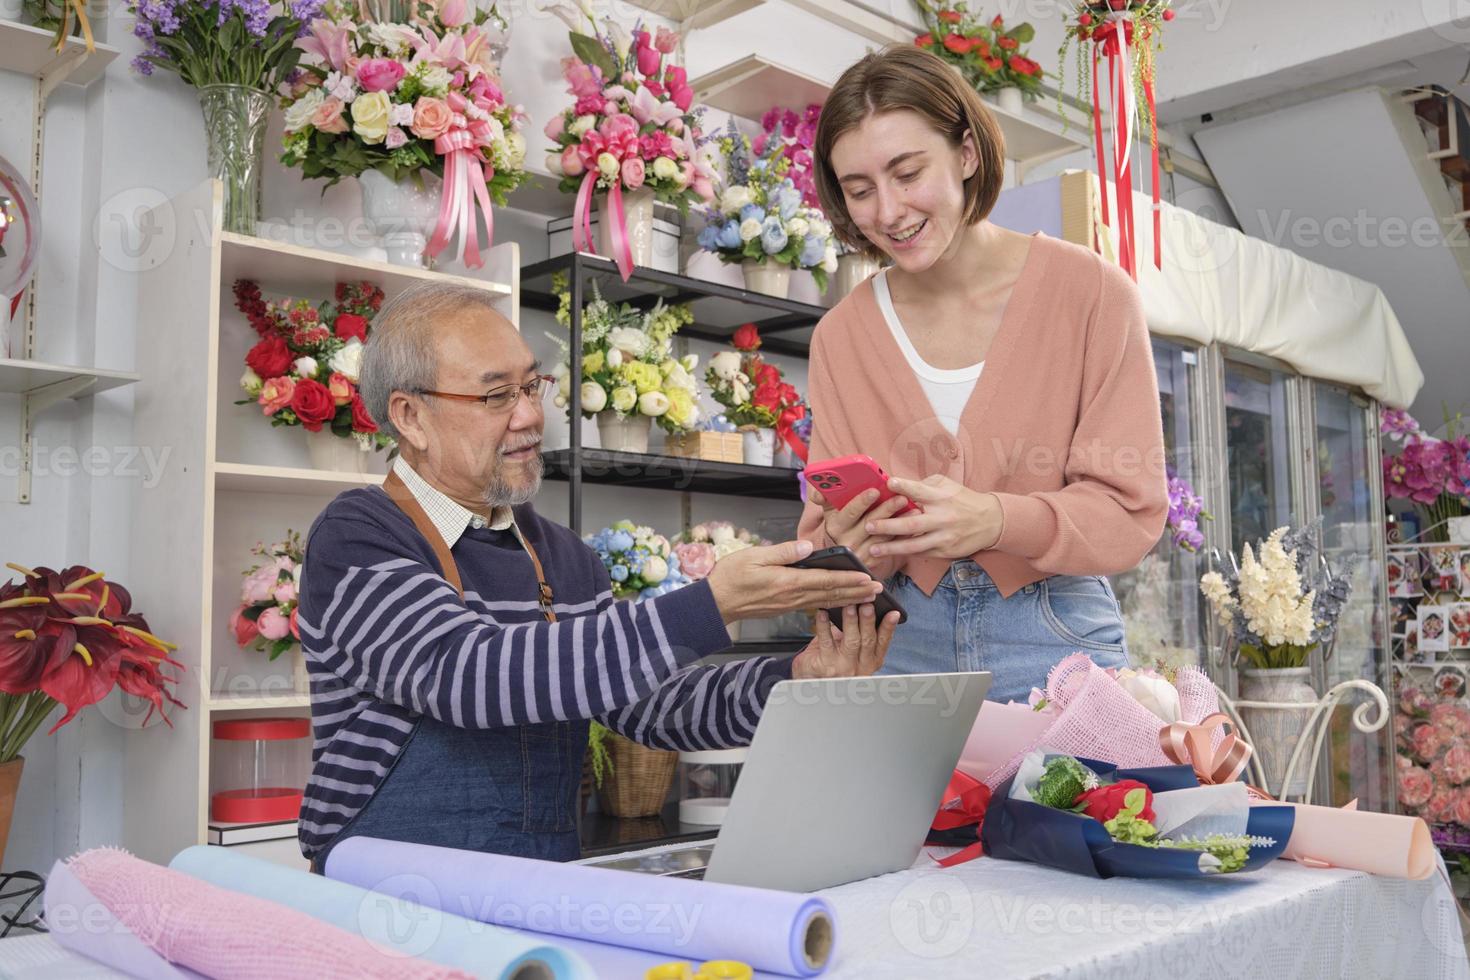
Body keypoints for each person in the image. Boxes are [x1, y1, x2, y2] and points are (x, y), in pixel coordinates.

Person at [297, 281, 899, 868]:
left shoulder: (562, 555)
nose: (531, 416)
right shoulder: (359, 534)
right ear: (410, 416)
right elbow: (465, 673)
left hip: (538, 886)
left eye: (532, 386)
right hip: (388, 897)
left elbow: (654, 707)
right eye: (497, 396)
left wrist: (796, 676)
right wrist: (712, 605)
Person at [797, 45, 1168, 703]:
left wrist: (996, 520)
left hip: (1054, 634)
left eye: (908, 173)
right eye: (859, 191)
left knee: (1071, 809)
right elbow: (826, 536)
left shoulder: (1093, 295)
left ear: (967, 153)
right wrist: (851, 544)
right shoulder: (841, 337)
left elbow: (1129, 513)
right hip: (900, 642)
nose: (887, 211)